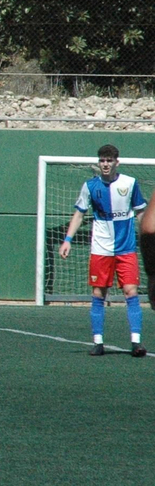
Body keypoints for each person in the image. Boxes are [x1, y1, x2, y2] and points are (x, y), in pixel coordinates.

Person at [61, 144, 146, 357]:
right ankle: (98, 342)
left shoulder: (130, 183)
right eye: (102, 160)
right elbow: (79, 214)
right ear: (99, 163)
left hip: (126, 248)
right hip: (101, 249)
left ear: (117, 162)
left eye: (109, 160)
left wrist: (149, 237)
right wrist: (68, 240)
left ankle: (136, 343)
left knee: (131, 291)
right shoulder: (90, 186)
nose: (105, 164)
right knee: (99, 293)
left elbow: (140, 213)